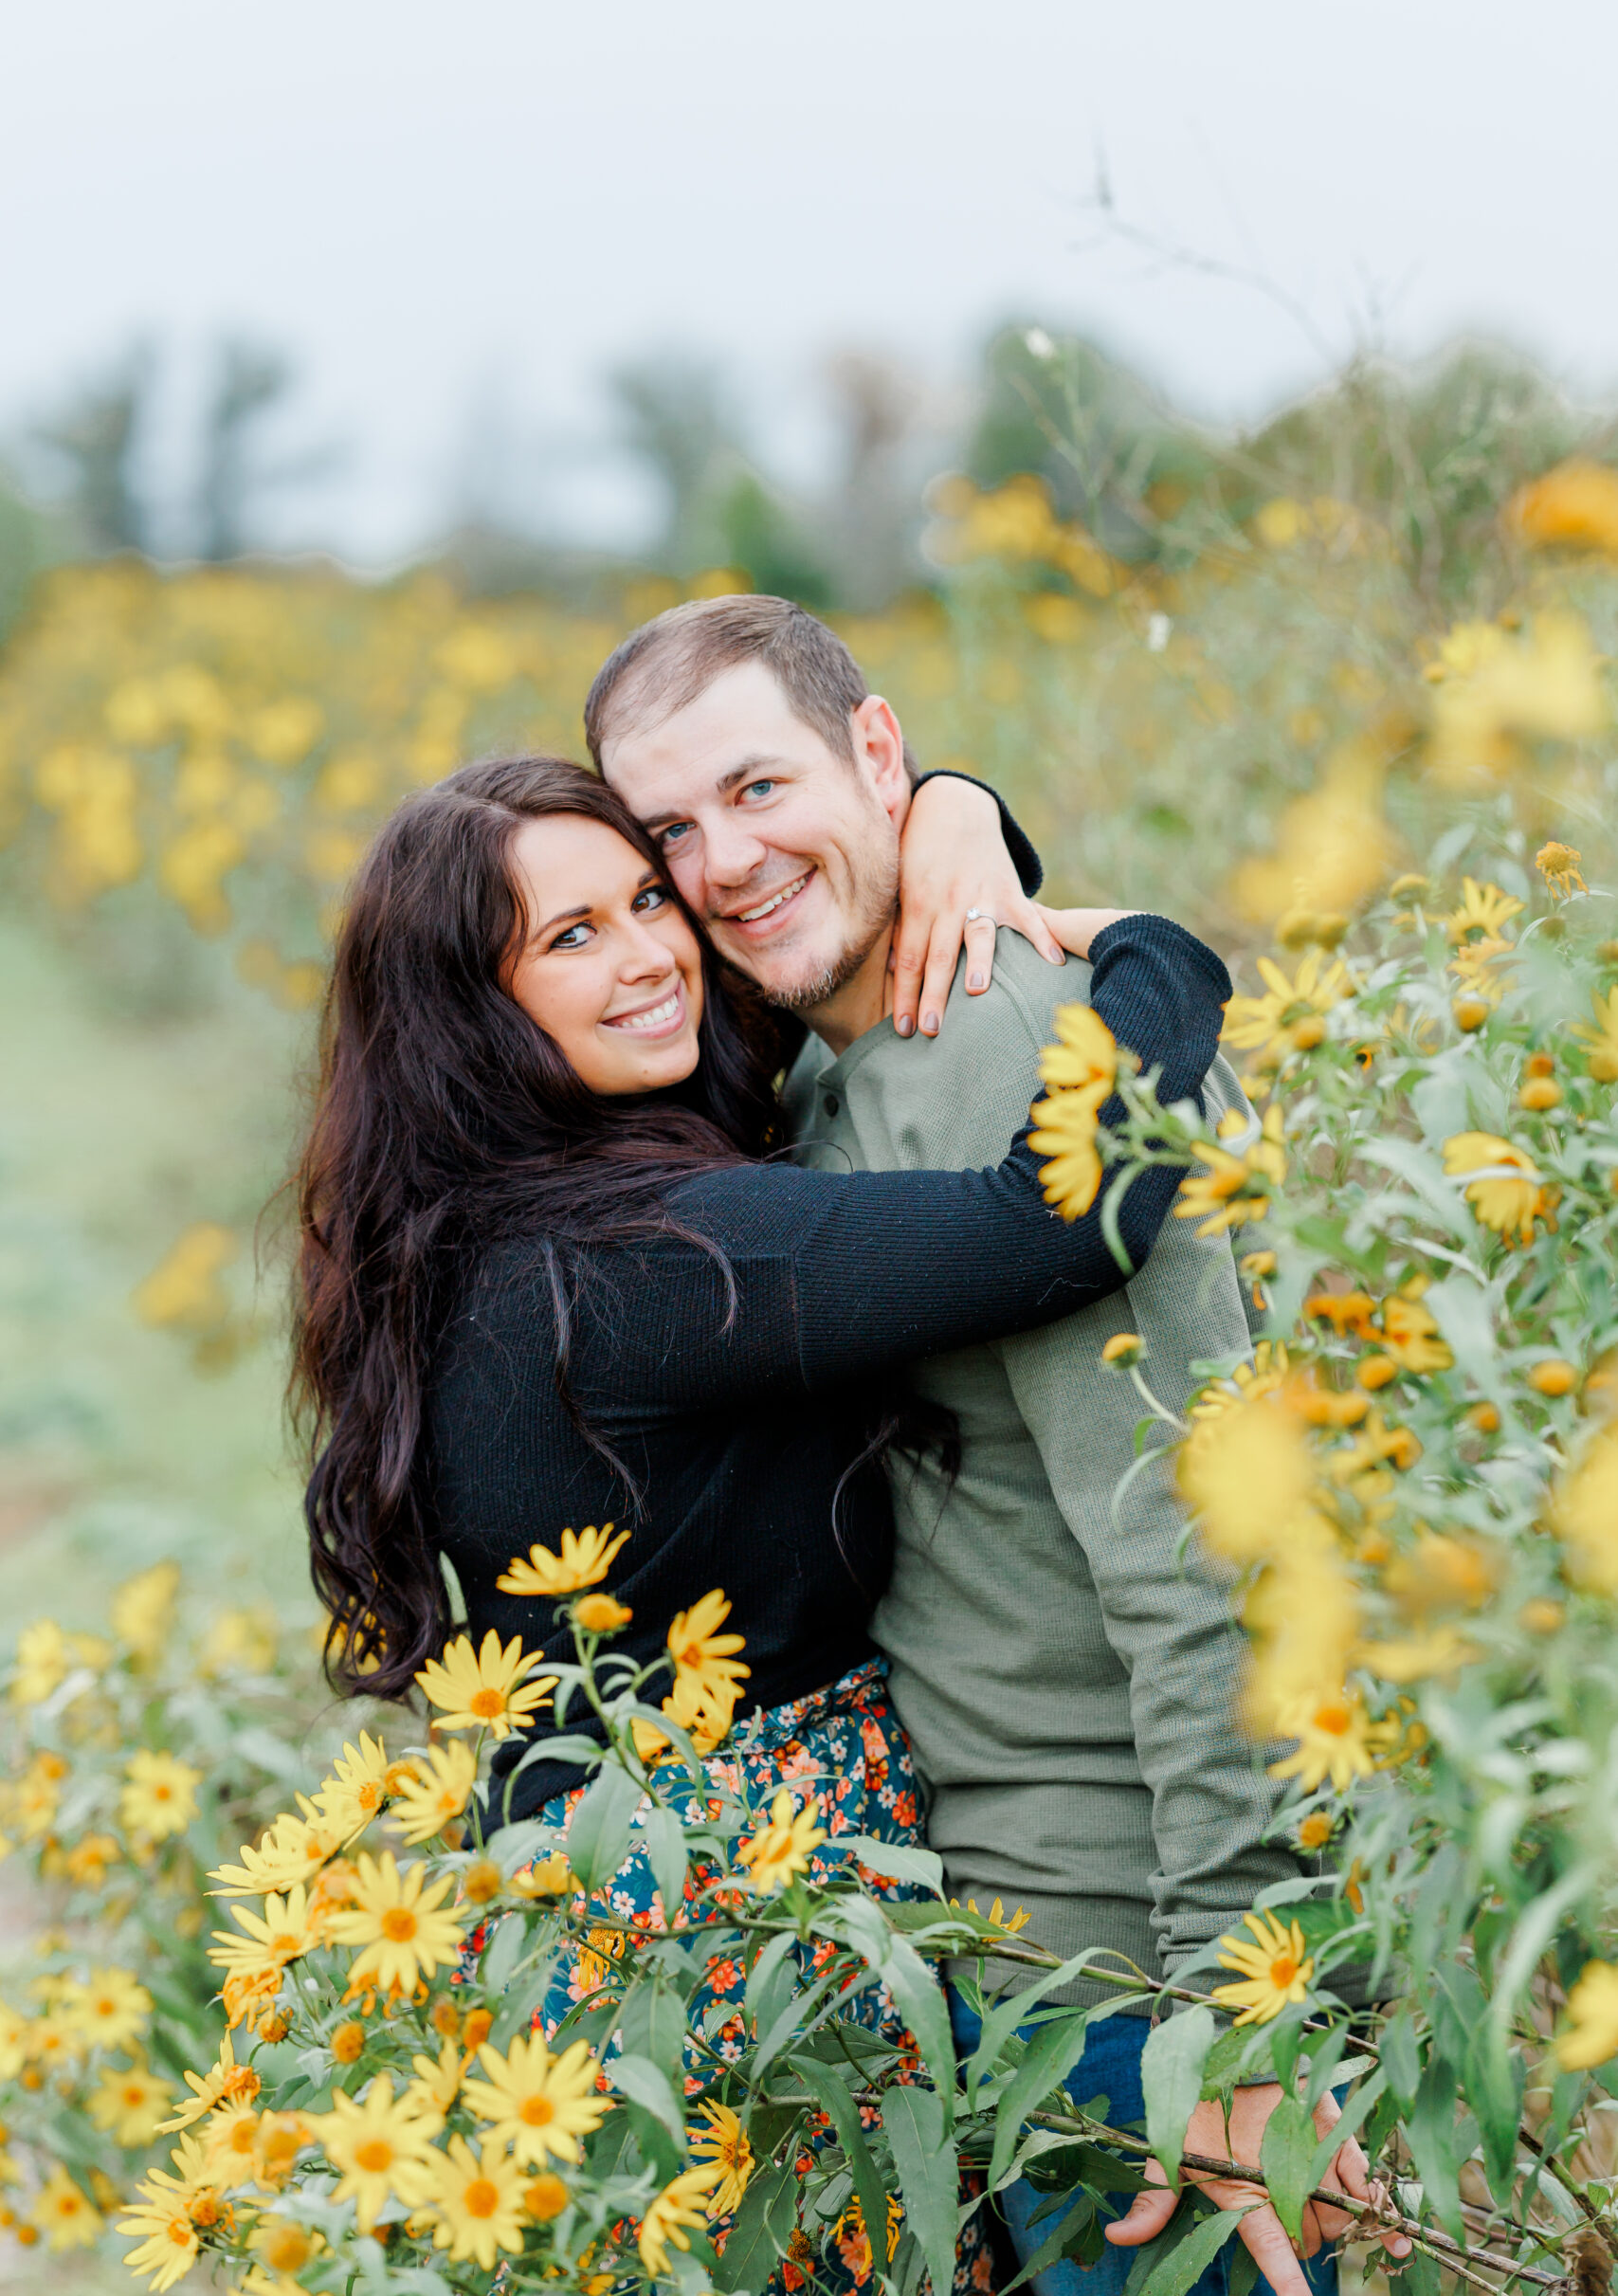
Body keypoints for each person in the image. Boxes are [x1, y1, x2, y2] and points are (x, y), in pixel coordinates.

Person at [290, 752, 1229, 2287]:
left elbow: (822, 933)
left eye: (648, 897)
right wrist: (1157, 955)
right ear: (475, 1006)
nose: (654, 952)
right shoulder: (650, 1259)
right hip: (756, 1938)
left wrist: (952, 807)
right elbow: (1059, 1221)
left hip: (606, 1930)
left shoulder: (468, 1218)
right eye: (570, 937)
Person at [585, 596, 1404, 2296]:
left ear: (872, 752)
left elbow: (1209, 1538)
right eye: (673, 831)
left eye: (760, 785)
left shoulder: (1013, 1041)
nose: (724, 863)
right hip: (1008, 1971)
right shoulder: (810, 1083)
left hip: (1149, 1989)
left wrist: (1242, 2020)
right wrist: (965, 805)